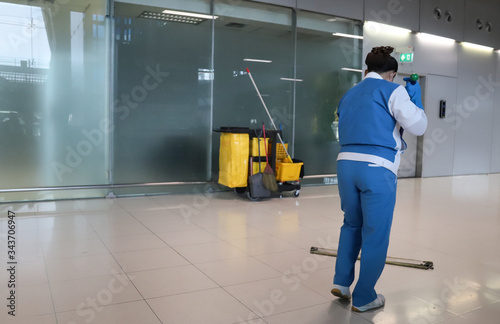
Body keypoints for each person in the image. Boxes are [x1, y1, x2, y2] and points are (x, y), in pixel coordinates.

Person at [331, 46, 427, 312]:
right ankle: (364, 298)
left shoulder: (349, 94)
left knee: (351, 224)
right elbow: (418, 126)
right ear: (392, 74)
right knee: (375, 232)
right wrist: (415, 100)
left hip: (345, 165)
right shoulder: (392, 90)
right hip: (377, 167)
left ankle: (341, 282)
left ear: (366, 70)